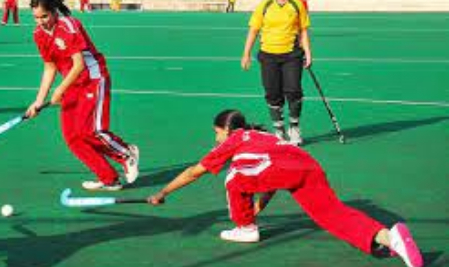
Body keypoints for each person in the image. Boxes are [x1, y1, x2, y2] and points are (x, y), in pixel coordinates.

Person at [148, 109, 424, 267]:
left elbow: (194, 172)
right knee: (332, 214)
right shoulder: (264, 136)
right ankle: (390, 238)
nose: (215, 137)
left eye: (216, 132)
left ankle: (245, 229)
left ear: (227, 130)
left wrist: (162, 192)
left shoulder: (236, 140)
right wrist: (256, 207)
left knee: (233, 177)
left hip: (280, 170)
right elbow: (274, 179)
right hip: (307, 167)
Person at [25, 0, 139, 191]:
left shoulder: (69, 25)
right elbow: (49, 67)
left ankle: (126, 153)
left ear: (54, 12)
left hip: (92, 79)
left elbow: (79, 65)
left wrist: (59, 89)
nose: (41, 21)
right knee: (73, 138)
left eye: (44, 16)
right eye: (36, 17)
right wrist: (38, 100)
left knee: (91, 131)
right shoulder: (38, 35)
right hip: (72, 85)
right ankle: (108, 178)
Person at [241, 0, 311, 146]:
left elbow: (303, 30)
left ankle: (294, 127)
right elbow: (254, 30)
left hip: (291, 55)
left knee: (294, 90)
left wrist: (308, 53)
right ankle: (279, 130)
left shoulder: (296, 4)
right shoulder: (264, 5)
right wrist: (246, 54)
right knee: (273, 93)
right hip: (268, 56)